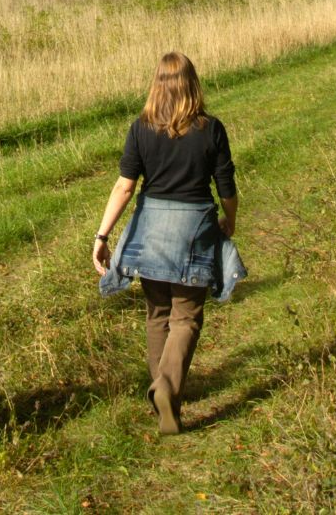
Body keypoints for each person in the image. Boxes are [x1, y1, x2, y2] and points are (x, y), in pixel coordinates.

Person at [94, 51, 246, 434]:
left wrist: (102, 234)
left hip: (151, 230)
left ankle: (161, 388)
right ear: (192, 84)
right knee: (187, 316)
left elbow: (125, 186)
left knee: (158, 313)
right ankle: (167, 387)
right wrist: (231, 218)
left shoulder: (140, 128)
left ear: (156, 85)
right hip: (194, 228)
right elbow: (225, 186)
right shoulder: (211, 129)